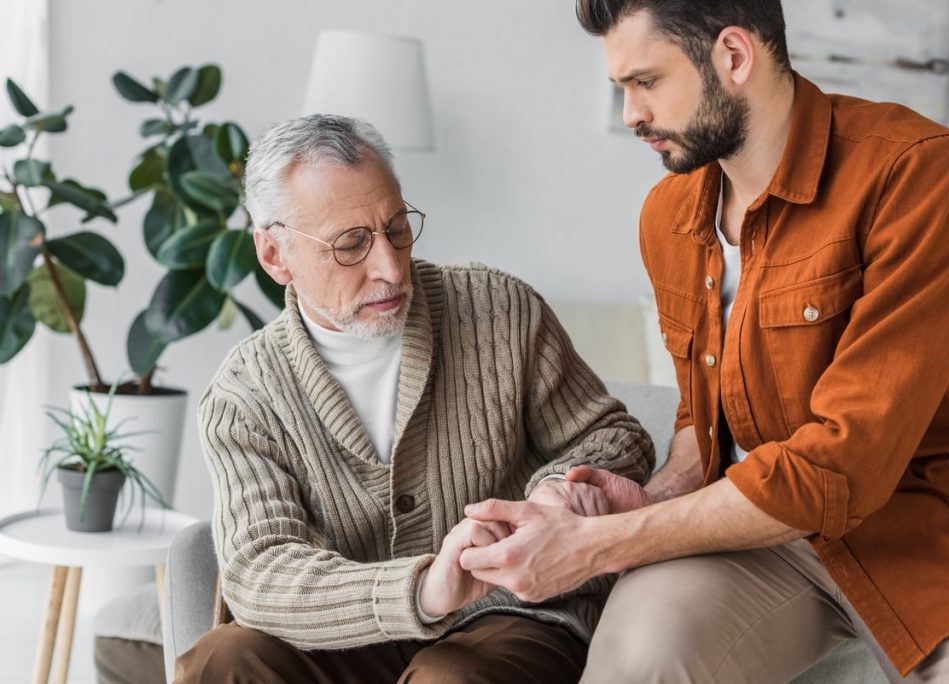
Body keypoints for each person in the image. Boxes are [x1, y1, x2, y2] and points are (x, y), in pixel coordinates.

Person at [460, 2, 949, 682]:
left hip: (944, 534)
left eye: (647, 82)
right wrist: (658, 496)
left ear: (733, 56)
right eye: (622, 89)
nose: (633, 113)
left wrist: (598, 545)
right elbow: (706, 418)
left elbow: (844, 465)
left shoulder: (921, 174)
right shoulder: (668, 215)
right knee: (640, 662)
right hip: (756, 539)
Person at [174, 114, 653, 683]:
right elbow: (260, 569)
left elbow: (616, 439)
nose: (389, 265)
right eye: (351, 244)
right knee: (221, 661)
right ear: (275, 255)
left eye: (397, 228)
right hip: (351, 635)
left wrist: (558, 489)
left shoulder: (500, 307)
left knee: (447, 679)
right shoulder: (244, 395)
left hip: (511, 616)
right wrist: (423, 589)